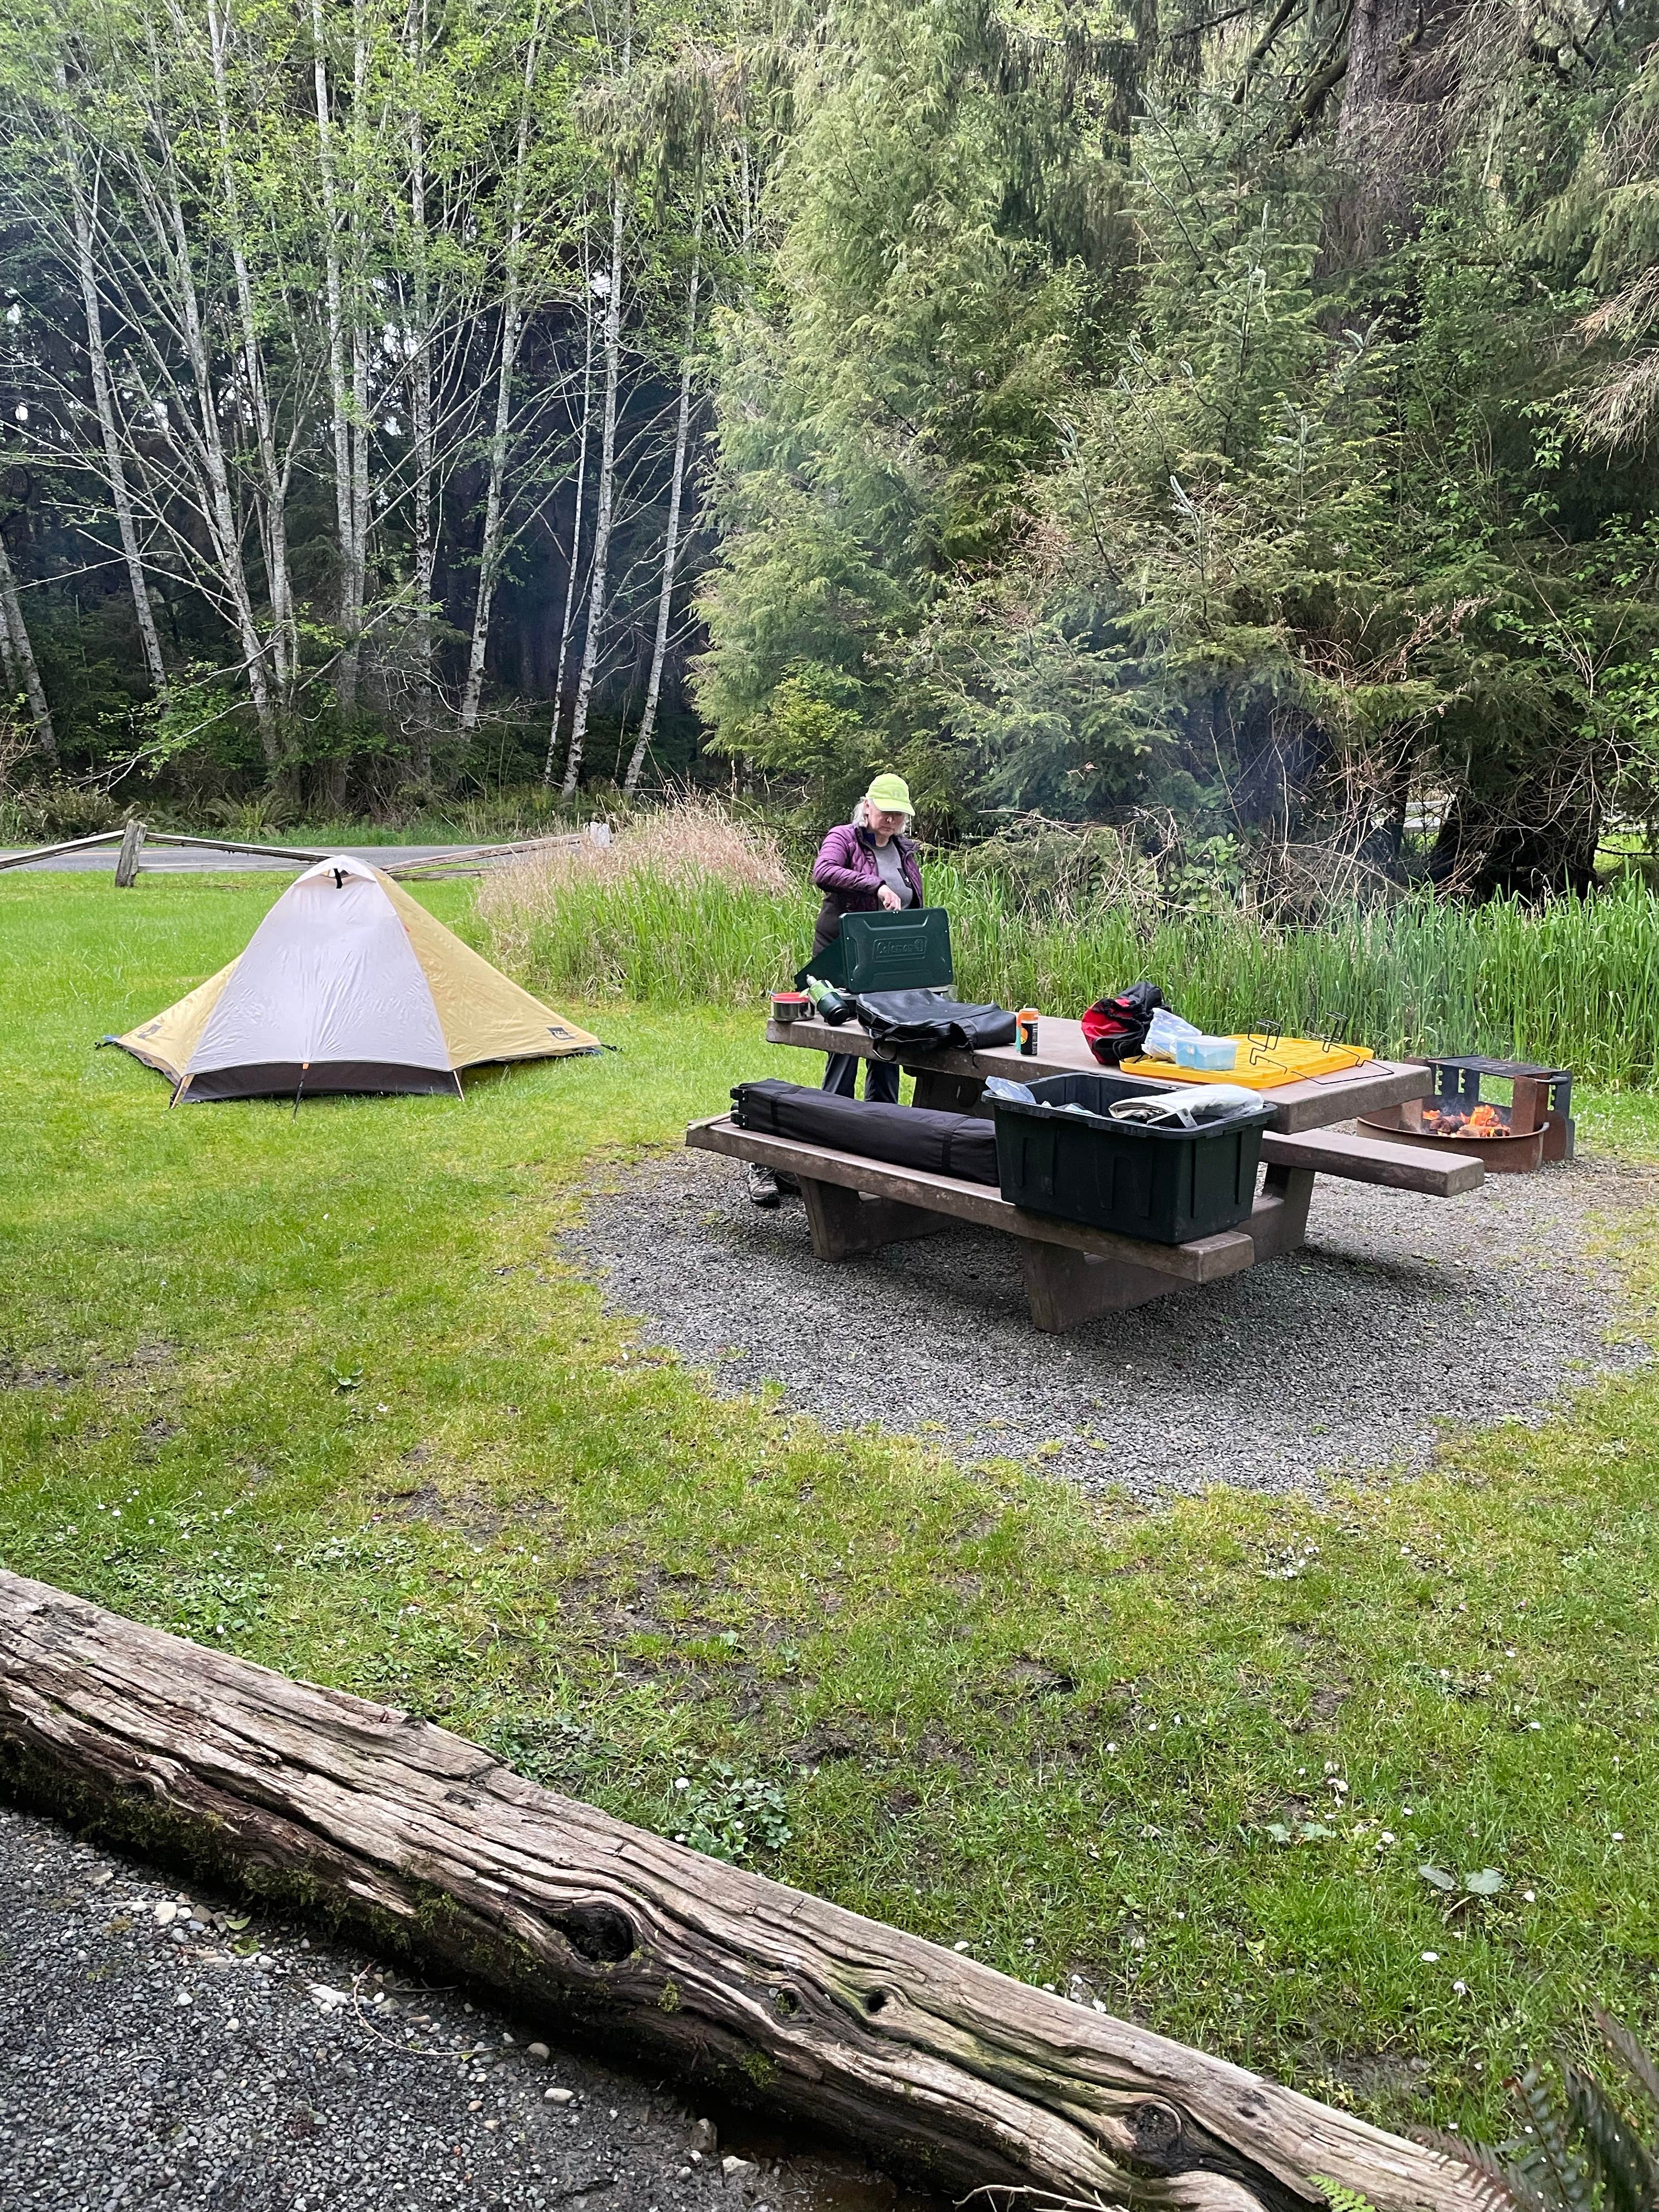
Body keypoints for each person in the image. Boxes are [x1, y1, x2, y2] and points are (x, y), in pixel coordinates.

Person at [748, 773, 926, 1206]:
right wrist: (876, 885)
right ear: (867, 806)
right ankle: (832, 1133)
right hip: (842, 955)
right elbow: (822, 873)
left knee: (888, 1042)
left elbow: (913, 902)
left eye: (898, 814)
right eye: (885, 811)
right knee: (845, 1044)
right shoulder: (843, 837)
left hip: (888, 961)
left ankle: (877, 1134)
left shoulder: (904, 849)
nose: (891, 820)